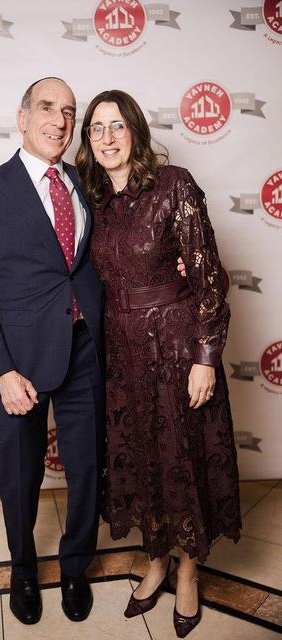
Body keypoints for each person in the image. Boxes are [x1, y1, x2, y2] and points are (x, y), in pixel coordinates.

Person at [76, 90, 241, 638]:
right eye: (96, 128)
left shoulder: (174, 185)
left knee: (181, 460)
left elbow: (209, 279)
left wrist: (206, 358)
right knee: (143, 460)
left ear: (136, 132)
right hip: (121, 356)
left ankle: (188, 569)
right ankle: (156, 559)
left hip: (175, 350)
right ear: (88, 140)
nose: (107, 138)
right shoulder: (91, 199)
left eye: (117, 126)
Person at [0, 77, 106, 625]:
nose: (60, 121)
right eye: (47, 107)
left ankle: (75, 567)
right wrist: (1, 371)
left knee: (87, 467)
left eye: (69, 112)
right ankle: (23, 569)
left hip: (85, 345)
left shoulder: (86, 182)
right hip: (20, 360)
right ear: (22, 117)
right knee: (20, 473)